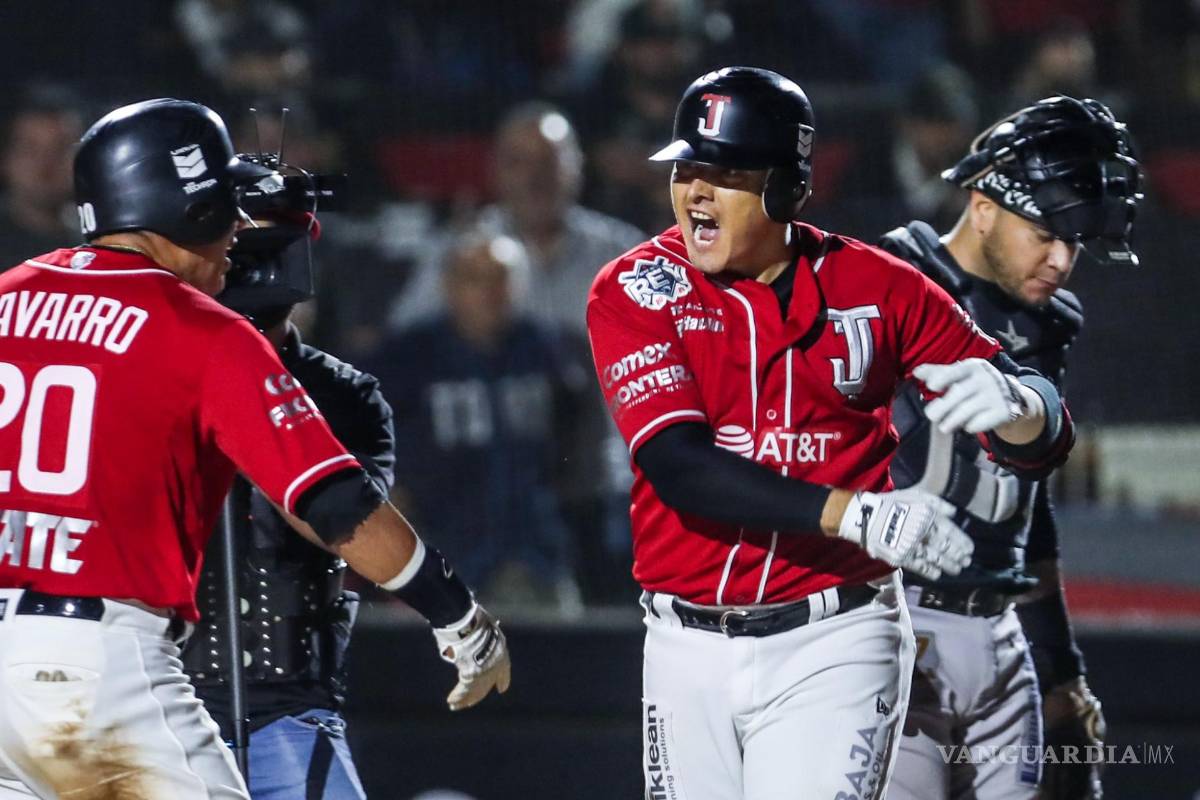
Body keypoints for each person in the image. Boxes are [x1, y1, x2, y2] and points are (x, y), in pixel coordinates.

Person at [585, 66, 1075, 800]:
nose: (696, 191)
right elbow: (677, 466)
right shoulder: (636, 287)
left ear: (788, 187)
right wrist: (857, 513)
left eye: (728, 172)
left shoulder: (877, 285)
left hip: (834, 637)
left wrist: (1022, 407)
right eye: (686, 167)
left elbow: (1043, 419)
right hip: (683, 645)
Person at [0, 99, 509, 800]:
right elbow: (335, 505)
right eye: (223, 206)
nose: (239, 230)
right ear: (184, 207)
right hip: (101, 665)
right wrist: (455, 611)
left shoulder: (6, 299)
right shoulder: (199, 328)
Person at [879, 95, 1141, 800]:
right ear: (984, 203)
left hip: (998, 634)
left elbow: (1026, 508)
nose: (1061, 259)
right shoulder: (884, 282)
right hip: (885, 625)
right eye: (1044, 232)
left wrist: (1060, 671)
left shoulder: (1046, 321)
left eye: (1075, 239)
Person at [179, 160, 381, 798]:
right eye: (240, 238)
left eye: (272, 241)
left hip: (292, 701)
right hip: (167, 694)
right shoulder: (159, 370)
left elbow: (347, 529)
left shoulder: (348, 396)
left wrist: (263, 411)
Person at [368, 232, 587, 613]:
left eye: (500, 277)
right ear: (448, 285)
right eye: (474, 277)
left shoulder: (545, 348)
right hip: (444, 559)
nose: (489, 291)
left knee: (565, 665)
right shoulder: (408, 357)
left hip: (537, 555)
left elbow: (575, 435)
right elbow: (367, 442)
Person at [0, 85, 83, 267]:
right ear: (6, 158)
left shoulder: (99, 243)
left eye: (60, 148)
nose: (45, 164)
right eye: (30, 149)